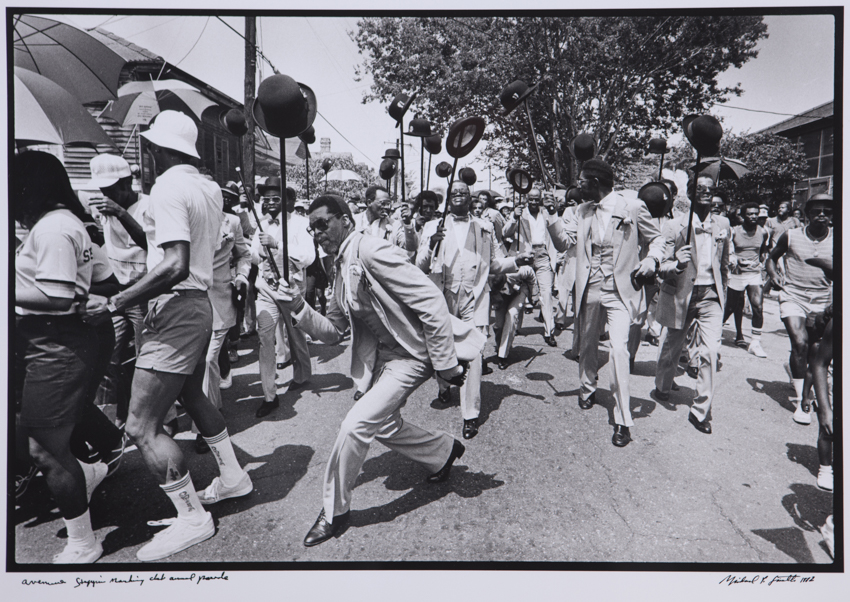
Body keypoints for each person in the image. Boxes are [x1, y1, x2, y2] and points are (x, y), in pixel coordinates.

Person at [84, 111, 252, 561]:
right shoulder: (208, 187)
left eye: (151, 148)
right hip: (197, 305)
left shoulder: (168, 188)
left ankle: (192, 518)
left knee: (141, 424)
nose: (148, 156)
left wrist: (116, 303)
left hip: (177, 306)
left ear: (160, 150)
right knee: (195, 397)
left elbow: (174, 263)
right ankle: (234, 476)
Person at [274, 195, 476, 547]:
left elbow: (431, 301)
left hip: (412, 355)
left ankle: (334, 511)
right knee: (382, 422)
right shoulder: (339, 264)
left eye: (324, 223)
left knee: (355, 424)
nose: (318, 232)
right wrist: (297, 305)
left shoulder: (371, 250)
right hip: (383, 359)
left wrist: (445, 366)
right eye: (312, 227)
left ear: (346, 220)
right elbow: (334, 331)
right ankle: (442, 452)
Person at [13, 151, 106, 563]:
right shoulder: (64, 223)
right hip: (55, 342)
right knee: (46, 441)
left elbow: (57, 295)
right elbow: (99, 280)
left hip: (56, 342)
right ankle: (87, 473)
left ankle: (84, 542)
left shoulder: (52, 229)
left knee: (45, 450)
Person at [548, 159, 664, 447]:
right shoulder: (582, 210)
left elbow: (658, 239)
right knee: (587, 343)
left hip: (621, 291)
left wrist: (651, 259)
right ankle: (587, 387)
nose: (578, 186)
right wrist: (551, 215)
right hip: (590, 286)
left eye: (582, 181)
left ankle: (623, 419)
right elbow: (564, 244)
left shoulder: (633, 208)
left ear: (596, 183)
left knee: (618, 350)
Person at [416, 181, 531, 439]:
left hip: (475, 297)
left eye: (463, 192)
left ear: (471, 198)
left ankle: (470, 414)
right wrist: (431, 244)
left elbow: (493, 264)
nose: (458, 195)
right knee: (442, 348)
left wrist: (516, 261)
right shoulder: (434, 226)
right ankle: (444, 383)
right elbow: (420, 265)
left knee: (474, 354)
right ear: (448, 198)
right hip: (443, 297)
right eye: (454, 192)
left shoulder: (484, 227)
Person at [650, 175, 731, 435]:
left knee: (710, 352)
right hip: (682, 293)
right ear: (690, 192)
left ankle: (700, 411)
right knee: (672, 346)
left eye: (711, 188)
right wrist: (677, 263)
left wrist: (723, 293)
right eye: (700, 188)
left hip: (711, 297)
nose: (706, 192)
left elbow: (724, 263)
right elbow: (660, 267)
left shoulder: (723, 224)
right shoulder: (674, 226)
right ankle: (662, 385)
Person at [85, 154, 149, 424]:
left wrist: (120, 213)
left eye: (111, 190)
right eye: (102, 190)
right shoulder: (100, 210)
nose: (106, 195)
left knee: (147, 360)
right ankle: (112, 420)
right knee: (108, 359)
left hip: (144, 292)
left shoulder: (148, 206)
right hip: (115, 292)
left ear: (127, 182)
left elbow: (151, 243)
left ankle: (157, 418)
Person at [191, 182, 251, 453]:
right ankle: (210, 408)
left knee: (208, 359)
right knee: (202, 363)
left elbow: (244, 254)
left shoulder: (233, 222)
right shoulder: (187, 218)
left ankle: (207, 427)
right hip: (189, 301)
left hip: (219, 299)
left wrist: (241, 276)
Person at [766, 194, 833, 425]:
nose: (822, 215)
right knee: (800, 341)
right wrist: (774, 275)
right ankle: (800, 400)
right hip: (793, 294)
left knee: (814, 349)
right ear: (807, 214)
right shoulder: (792, 235)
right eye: (816, 211)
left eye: (827, 211)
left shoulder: (839, 239)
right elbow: (771, 258)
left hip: (823, 299)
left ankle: (806, 389)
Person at [251, 178, 316, 418]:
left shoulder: (299, 224)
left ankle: (302, 374)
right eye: (266, 199)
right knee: (265, 338)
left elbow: (308, 257)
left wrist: (278, 245)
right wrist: (258, 252)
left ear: (285, 201)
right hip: (266, 289)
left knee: (296, 333)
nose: (269, 203)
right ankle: (269, 394)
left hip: (290, 288)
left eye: (275, 199)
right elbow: (253, 258)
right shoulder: (261, 225)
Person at [503, 188, 560, 346]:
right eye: (531, 199)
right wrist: (514, 217)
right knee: (520, 293)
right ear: (527, 199)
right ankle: (515, 327)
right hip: (524, 256)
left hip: (542, 255)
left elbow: (556, 231)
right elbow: (505, 233)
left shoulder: (547, 213)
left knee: (546, 293)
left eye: (537, 199)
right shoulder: (520, 213)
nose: (534, 202)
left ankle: (549, 331)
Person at [722, 202, 770, 357]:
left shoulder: (763, 232)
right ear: (742, 216)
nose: (754, 216)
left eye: (756, 213)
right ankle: (714, 332)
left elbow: (762, 251)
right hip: (737, 274)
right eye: (750, 214)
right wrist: (735, 260)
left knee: (758, 306)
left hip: (754, 274)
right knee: (729, 308)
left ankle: (755, 343)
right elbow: (727, 251)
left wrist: (760, 263)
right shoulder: (734, 231)